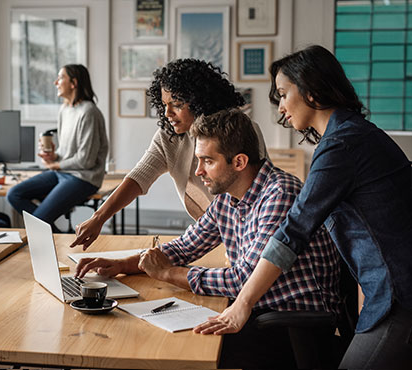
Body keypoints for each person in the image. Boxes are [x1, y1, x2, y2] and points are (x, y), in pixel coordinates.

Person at [194, 45, 412, 369]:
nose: (281, 108)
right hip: (389, 290)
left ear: (310, 90)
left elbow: (293, 231)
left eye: (283, 94)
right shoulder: (349, 136)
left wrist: (243, 303)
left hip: (400, 294)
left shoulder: (342, 145)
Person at [75, 109, 340, 369]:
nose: (198, 171)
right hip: (257, 312)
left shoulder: (279, 194)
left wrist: (168, 274)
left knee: (170, 349)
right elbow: (185, 246)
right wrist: (124, 264)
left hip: (291, 326)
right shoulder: (228, 196)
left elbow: (242, 280)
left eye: (208, 161)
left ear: (239, 162)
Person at [71, 58, 267, 249]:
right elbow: (139, 177)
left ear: (201, 102)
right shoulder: (169, 136)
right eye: (164, 104)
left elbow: (255, 195)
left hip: (248, 231)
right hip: (209, 232)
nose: (167, 113)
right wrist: (98, 218)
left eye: (177, 105)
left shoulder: (240, 131)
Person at [7, 64, 108, 233]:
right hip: (62, 173)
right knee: (14, 194)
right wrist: (53, 156)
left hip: (83, 178)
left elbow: (86, 160)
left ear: (73, 83)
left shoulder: (89, 112)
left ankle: (51, 235)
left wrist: (56, 165)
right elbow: (66, 152)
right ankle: (57, 236)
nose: (56, 82)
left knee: (38, 220)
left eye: (61, 77)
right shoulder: (64, 110)